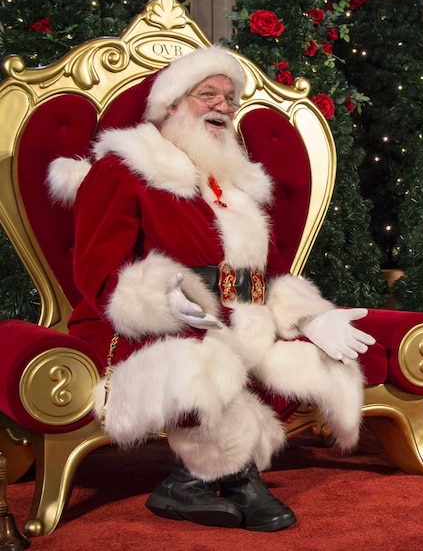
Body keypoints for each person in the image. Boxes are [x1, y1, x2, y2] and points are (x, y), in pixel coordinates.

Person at [47, 46, 375, 530]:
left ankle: (192, 484)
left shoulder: (233, 184)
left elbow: (271, 274)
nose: (223, 106)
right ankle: (237, 480)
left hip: (229, 312)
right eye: (208, 95)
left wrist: (311, 315)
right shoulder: (123, 169)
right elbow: (96, 271)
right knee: (203, 353)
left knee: (279, 348)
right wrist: (162, 300)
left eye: (229, 97)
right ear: (172, 106)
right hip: (131, 324)